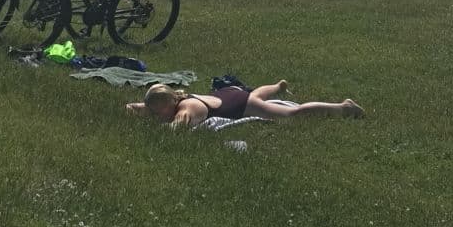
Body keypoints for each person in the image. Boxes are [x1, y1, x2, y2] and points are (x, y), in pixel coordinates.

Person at [127, 79, 362, 128]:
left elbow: (173, 131)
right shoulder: (175, 97)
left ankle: (343, 108)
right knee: (257, 94)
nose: (157, 116)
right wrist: (139, 109)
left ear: (170, 104)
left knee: (293, 114)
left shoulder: (188, 108)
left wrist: (149, 125)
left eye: (159, 113)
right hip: (231, 92)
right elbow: (134, 107)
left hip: (243, 105)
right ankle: (278, 86)